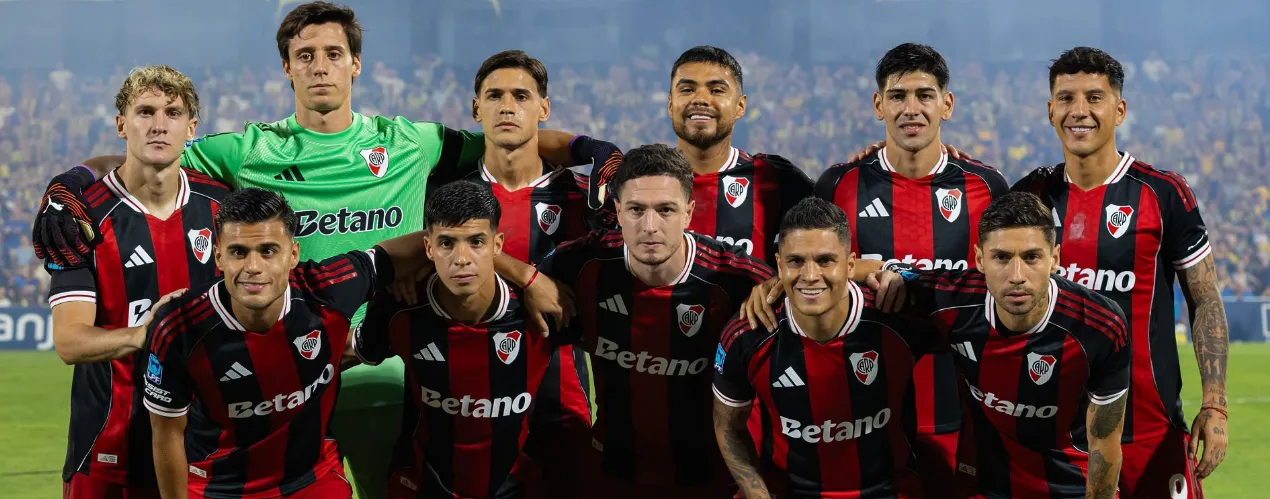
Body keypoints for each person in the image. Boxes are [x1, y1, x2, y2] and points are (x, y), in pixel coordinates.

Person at [33, 3, 614, 496]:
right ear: (286, 67)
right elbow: (146, 155)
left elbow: (515, 136)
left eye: (333, 54)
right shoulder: (248, 150)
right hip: (289, 376)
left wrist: (592, 149)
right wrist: (70, 185)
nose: (320, 67)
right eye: (305, 55)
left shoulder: (412, 141)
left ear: (356, 64)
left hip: (394, 367)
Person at [1012, 46, 1229, 498]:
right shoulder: (1029, 196)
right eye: (1066, 98)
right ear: (1050, 110)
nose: (1080, 111)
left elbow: (1204, 297)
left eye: (1094, 97)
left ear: (1119, 109)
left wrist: (1215, 404)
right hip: (1058, 440)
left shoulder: (1163, 193)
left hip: (1151, 431)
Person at [142, 187, 429, 499]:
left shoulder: (328, 289)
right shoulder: (179, 327)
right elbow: (166, 433)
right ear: (219, 255)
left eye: (268, 251)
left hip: (313, 479)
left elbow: (420, 246)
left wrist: (419, 267)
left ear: (293, 254)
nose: (253, 267)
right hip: (217, 488)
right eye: (239, 252)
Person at [537, 144, 774, 499]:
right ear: (617, 210)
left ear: (689, 212)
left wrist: (780, 285)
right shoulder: (583, 263)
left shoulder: (735, 279)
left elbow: (823, 288)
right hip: (613, 474)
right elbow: (501, 286)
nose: (650, 226)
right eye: (636, 210)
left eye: (665, 210)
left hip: (713, 480)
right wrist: (526, 279)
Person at [870, 191, 1130, 498]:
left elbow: (1104, 445)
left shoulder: (1099, 325)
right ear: (980, 259)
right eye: (1002, 258)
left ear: (1055, 259)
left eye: (1031, 257)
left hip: (1070, 487)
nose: (1016, 276)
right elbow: (870, 269)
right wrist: (888, 276)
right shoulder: (950, 299)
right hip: (987, 486)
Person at [47, 65, 226, 499]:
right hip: (108, 447)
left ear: (192, 127)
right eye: (145, 111)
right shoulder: (80, 215)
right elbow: (70, 341)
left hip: (205, 448)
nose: (159, 124)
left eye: (173, 112)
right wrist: (148, 334)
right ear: (122, 125)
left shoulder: (223, 208)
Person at [351, 180, 580, 499]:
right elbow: (350, 352)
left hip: (516, 486)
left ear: (497, 245)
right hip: (423, 485)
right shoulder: (399, 309)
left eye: (476, 242)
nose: (462, 259)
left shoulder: (540, 310)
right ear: (428, 248)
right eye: (447, 244)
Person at [445, 49, 607, 497]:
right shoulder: (447, 202)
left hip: (562, 393)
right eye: (493, 96)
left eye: (521, 95)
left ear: (544, 108)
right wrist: (527, 277)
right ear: (476, 108)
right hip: (469, 399)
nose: (507, 106)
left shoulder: (584, 200)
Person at [713, 197, 927, 499]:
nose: (810, 276)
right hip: (789, 491)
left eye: (825, 260)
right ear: (778, 264)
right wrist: (755, 492)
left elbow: (957, 295)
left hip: (887, 490)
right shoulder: (748, 332)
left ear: (851, 264)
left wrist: (896, 270)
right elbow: (728, 426)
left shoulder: (897, 317)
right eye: (796, 261)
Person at [667, 45, 814, 266]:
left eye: (716, 90)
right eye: (687, 90)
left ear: (740, 106)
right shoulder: (642, 180)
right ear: (670, 104)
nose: (700, 99)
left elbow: (835, 243)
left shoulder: (774, 177)